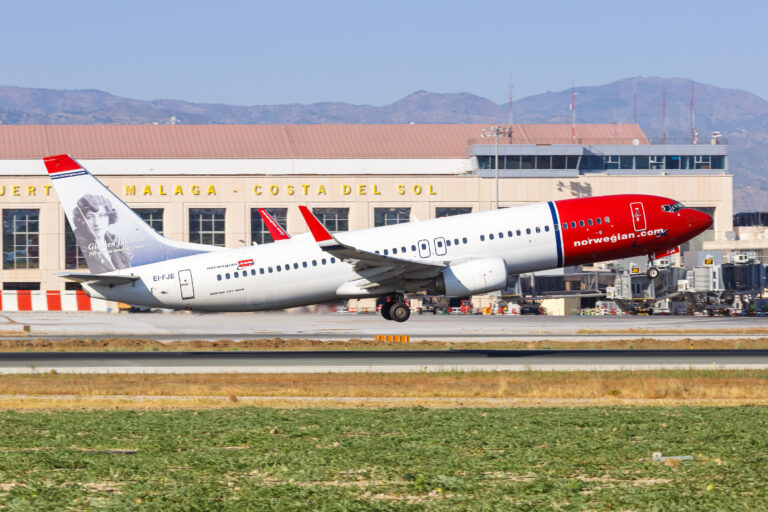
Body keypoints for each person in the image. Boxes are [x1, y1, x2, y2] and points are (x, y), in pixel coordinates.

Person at [72, 194, 132, 273]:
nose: (97, 223)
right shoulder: (77, 247)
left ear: (109, 218)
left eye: (102, 215)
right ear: (82, 221)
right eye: (90, 217)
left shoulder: (116, 243)